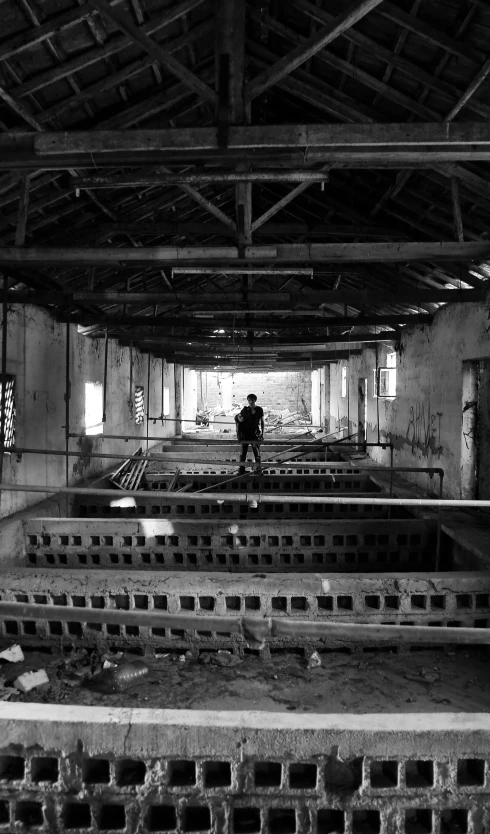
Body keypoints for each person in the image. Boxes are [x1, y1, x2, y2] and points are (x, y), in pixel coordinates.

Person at [235, 393, 265, 475]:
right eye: (249, 400)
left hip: (254, 434)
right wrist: (239, 418)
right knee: (243, 453)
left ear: (255, 400)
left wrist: (262, 433)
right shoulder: (245, 410)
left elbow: (262, 422)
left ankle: (258, 469)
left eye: (252, 400)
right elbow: (238, 417)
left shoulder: (259, 410)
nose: (250, 402)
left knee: (257, 453)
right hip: (245, 434)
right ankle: (241, 470)